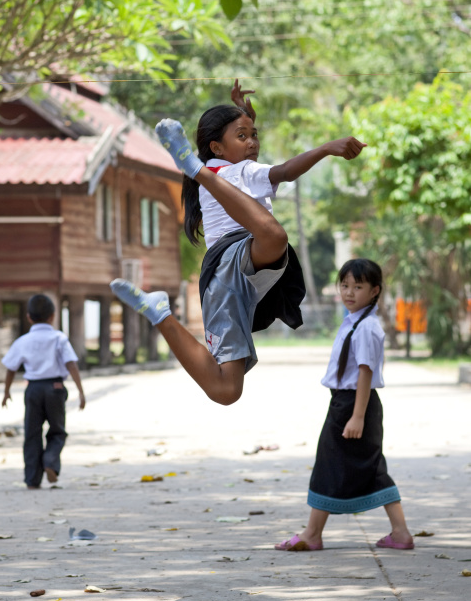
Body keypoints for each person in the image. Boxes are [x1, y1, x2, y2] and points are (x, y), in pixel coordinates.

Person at [111, 82, 366, 406]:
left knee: (226, 391)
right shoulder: (241, 170)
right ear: (216, 148)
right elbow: (285, 172)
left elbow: (244, 146)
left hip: (228, 284)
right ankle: (192, 166)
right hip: (233, 257)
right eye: (243, 136)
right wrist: (328, 147)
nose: (253, 143)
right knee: (275, 237)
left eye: (254, 135)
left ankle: (160, 314)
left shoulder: (228, 167)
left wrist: (245, 116)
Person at [275, 258, 414, 552]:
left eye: (358, 287)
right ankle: (400, 532)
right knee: (372, 467)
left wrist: (357, 416)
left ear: (375, 291)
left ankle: (312, 534)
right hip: (349, 403)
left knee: (329, 464)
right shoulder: (355, 322)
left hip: (354, 404)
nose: (349, 292)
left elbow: (364, 372)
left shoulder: (366, 328)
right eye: (344, 285)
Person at [1, 294, 85, 489]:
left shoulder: (23, 340)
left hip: (33, 389)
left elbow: (11, 368)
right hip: (55, 388)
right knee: (57, 431)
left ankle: (32, 479)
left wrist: (6, 392)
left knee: (32, 433)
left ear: (29, 317)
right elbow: (71, 364)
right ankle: (50, 462)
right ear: (53, 316)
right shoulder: (59, 338)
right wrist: (80, 391)